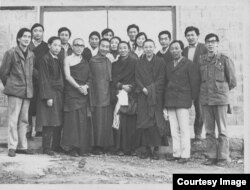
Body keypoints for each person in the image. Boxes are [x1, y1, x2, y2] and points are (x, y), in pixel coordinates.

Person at [199, 33, 236, 166]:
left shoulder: (225, 59)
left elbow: (232, 81)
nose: (210, 44)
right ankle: (211, 156)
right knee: (209, 131)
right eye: (208, 42)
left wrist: (220, 91)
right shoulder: (201, 60)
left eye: (213, 42)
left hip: (220, 100)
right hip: (206, 100)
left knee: (222, 130)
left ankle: (223, 157)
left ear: (217, 44)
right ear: (205, 44)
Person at [0, 28, 34, 157]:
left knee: (24, 120)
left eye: (29, 37)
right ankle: (12, 147)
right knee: (13, 120)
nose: (27, 39)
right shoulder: (11, 53)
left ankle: (22, 146)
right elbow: (3, 73)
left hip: (27, 91)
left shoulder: (31, 54)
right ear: (19, 38)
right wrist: (10, 85)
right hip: (15, 91)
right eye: (24, 36)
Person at [164, 40, 199, 164]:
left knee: (184, 128)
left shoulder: (188, 64)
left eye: (176, 48)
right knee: (174, 128)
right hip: (170, 99)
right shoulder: (168, 64)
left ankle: (185, 154)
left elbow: (194, 83)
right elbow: (165, 82)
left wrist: (190, 99)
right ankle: (176, 153)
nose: (174, 51)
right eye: (172, 49)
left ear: (181, 50)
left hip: (183, 99)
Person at [135, 39, 168, 160]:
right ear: (143, 48)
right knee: (145, 120)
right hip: (143, 95)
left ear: (154, 48)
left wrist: (151, 89)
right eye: (146, 47)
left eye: (150, 47)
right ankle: (147, 148)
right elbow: (137, 77)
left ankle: (156, 149)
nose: (148, 49)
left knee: (155, 121)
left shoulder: (160, 61)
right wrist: (143, 88)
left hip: (156, 96)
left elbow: (162, 78)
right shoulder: (139, 62)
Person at [62, 38, 93, 157]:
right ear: (72, 46)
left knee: (82, 121)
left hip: (83, 93)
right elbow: (67, 76)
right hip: (72, 93)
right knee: (72, 121)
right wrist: (78, 87)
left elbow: (90, 77)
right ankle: (70, 148)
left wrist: (85, 86)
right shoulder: (68, 59)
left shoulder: (85, 61)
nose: (79, 47)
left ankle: (82, 148)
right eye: (76, 45)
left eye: (81, 45)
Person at [36, 36, 64, 156]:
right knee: (48, 120)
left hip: (58, 93)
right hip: (50, 93)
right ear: (49, 46)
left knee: (57, 120)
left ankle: (56, 146)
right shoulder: (45, 59)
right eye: (55, 45)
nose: (57, 48)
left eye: (59, 45)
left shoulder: (58, 59)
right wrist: (48, 97)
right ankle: (46, 147)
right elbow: (44, 79)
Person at [111, 41, 138, 156]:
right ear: (117, 50)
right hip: (119, 93)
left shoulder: (135, 62)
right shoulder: (114, 64)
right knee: (119, 120)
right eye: (120, 48)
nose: (122, 50)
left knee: (130, 122)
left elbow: (138, 77)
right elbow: (112, 80)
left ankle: (130, 147)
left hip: (131, 94)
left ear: (129, 49)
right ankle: (119, 147)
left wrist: (130, 87)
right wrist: (121, 86)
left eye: (125, 48)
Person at [89, 39, 114, 154]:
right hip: (97, 94)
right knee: (98, 120)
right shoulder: (93, 60)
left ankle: (105, 145)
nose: (104, 48)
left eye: (107, 46)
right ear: (99, 46)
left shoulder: (109, 60)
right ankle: (97, 145)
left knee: (106, 120)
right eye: (102, 46)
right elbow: (91, 79)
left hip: (108, 93)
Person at [183, 26, 207, 142]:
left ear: (197, 36)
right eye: (188, 35)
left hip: (200, 84)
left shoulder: (204, 48)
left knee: (200, 110)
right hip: (187, 85)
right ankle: (183, 134)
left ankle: (198, 133)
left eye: (192, 35)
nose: (190, 37)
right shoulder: (184, 50)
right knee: (183, 110)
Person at [27, 23, 49, 139]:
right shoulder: (27, 45)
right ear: (32, 33)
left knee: (41, 105)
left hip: (43, 80)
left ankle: (40, 130)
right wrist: (36, 73)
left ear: (43, 33)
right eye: (35, 31)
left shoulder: (46, 46)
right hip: (29, 80)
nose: (37, 33)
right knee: (29, 105)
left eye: (40, 31)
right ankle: (28, 130)